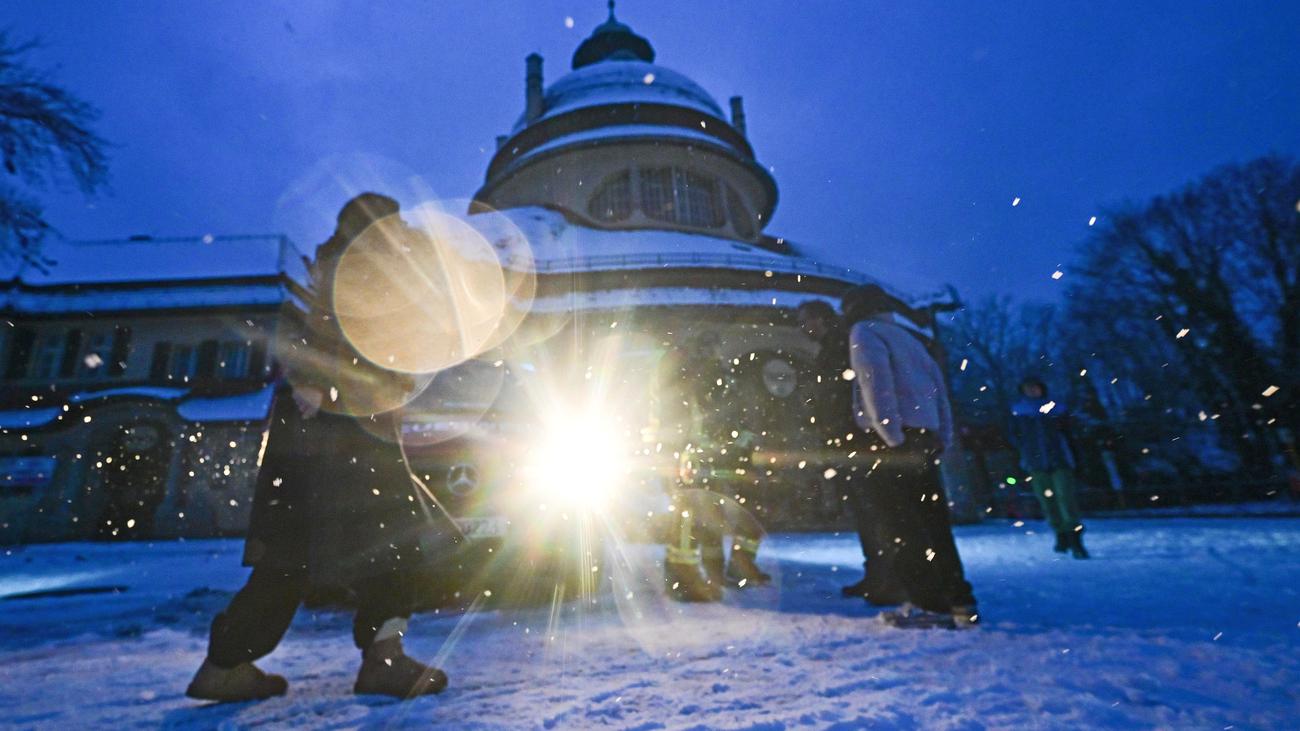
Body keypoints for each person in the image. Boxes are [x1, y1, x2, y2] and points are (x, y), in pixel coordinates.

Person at [186, 193, 450, 703]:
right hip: (341, 422)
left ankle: (225, 665)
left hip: (334, 422)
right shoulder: (361, 267)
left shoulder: (347, 265)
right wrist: (318, 380)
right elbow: (325, 331)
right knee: (390, 542)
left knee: (294, 554)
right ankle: (383, 660)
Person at [840, 285, 978, 629]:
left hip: (893, 441)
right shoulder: (910, 339)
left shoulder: (864, 332)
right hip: (926, 438)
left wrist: (889, 435)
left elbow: (876, 385)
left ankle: (925, 602)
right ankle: (959, 598)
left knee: (899, 524)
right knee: (934, 523)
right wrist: (942, 435)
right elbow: (939, 391)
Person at [797, 298, 904, 606]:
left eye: (806, 321)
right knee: (865, 510)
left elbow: (850, 390)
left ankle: (889, 578)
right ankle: (877, 574)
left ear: (822, 318)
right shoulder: (837, 344)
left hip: (856, 439)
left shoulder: (846, 342)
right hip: (846, 439)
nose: (803, 328)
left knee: (874, 510)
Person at [653, 332, 770, 602]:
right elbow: (709, 421)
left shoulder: (684, 375)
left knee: (701, 521)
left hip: (698, 459)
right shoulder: (702, 376)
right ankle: (684, 582)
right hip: (697, 460)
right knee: (691, 522)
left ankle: (700, 578)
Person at [1009, 377, 1088, 558]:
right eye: (1028, 388)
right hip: (1036, 464)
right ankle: (1060, 534)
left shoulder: (1057, 410)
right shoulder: (1019, 414)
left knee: (1065, 499)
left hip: (1060, 461)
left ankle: (1075, 538)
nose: (1032, 391)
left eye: (1034, 387)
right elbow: (1014, 438)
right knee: (1048, 502)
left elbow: (1071, 435)